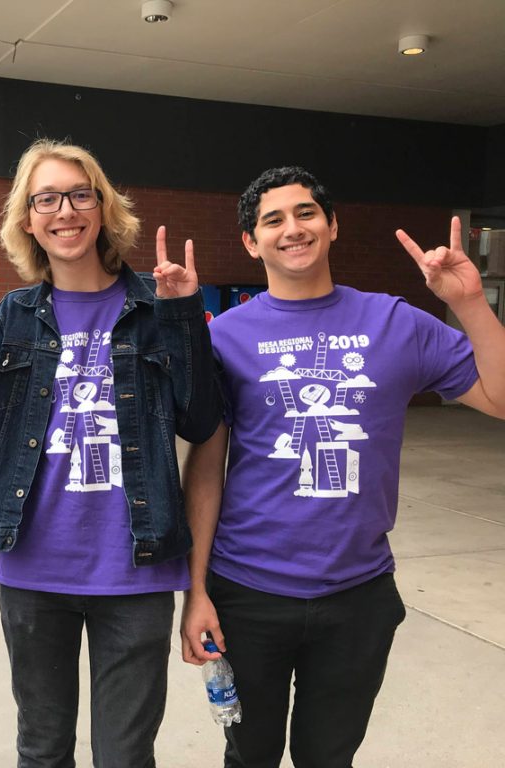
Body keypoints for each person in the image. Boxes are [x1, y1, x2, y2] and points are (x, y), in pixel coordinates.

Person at [180, 166, 505, 767]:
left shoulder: (395, 322)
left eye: (306, 213)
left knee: (329, 758)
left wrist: (468, 303)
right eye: (271, 220)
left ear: (333, 225)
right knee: (248, 755)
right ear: (252, 243)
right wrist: (195, 590)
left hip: (358, 595)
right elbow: (205, 468)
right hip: (248, 591)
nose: (292, 228)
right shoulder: (224, 336)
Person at [0, 138, 221, 767]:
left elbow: (200, 419)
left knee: (124, 757)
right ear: (27, 218)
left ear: (103, 208)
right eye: (46, 198)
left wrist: (184, 316)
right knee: (42, 751)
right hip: (34, 571)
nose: (64, 211)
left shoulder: (158, 306)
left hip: (136, 569)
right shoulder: (11, 314)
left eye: (79, 194)